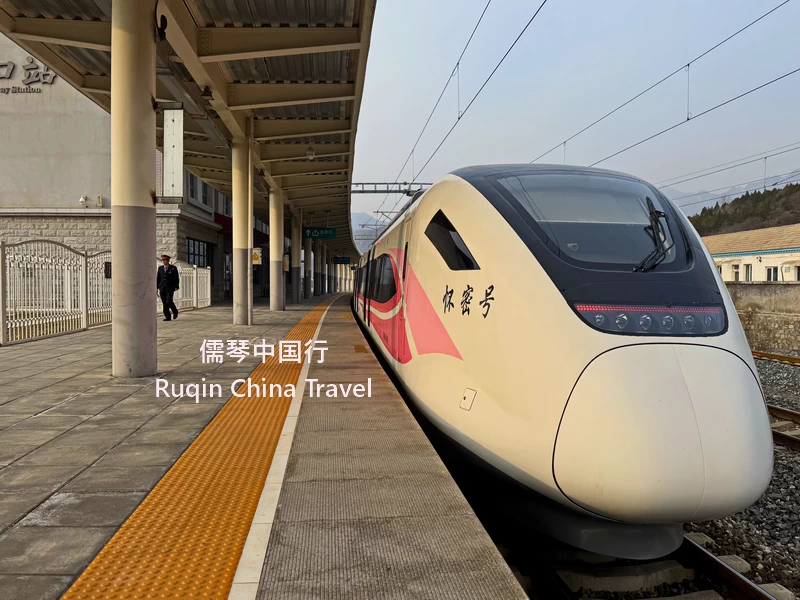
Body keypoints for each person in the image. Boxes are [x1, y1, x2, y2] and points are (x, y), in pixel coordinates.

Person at [157, 254, 180, 321]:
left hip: (170, 288)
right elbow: (158, 278)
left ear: (168, 260)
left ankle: (175, 311)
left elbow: (176, 278)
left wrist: (176, 286)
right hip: (162, 288)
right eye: (163, 260)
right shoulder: (160, 268)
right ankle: (167, 316)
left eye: (166, 260)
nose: (164, 261)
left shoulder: (173, 268)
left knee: (169, 301)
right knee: (164, 302)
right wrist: (157, 287)